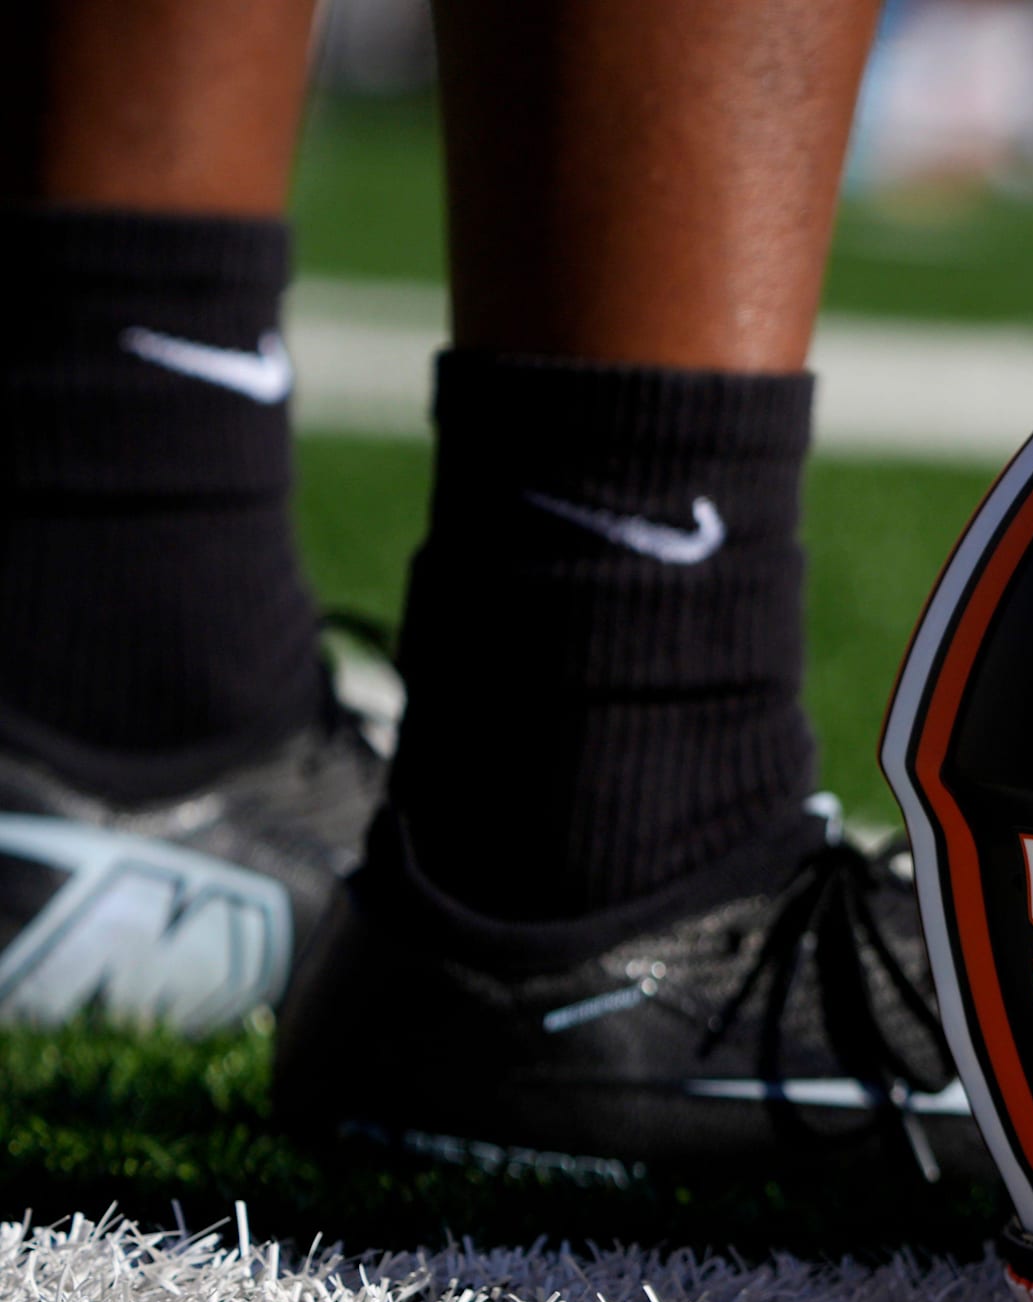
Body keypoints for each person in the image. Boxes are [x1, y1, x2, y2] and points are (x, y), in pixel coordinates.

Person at [0, 1, 960, 1176]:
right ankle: (617, 857)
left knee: (116, 604)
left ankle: (115, 642)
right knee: (583, 823)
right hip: (573, 883)